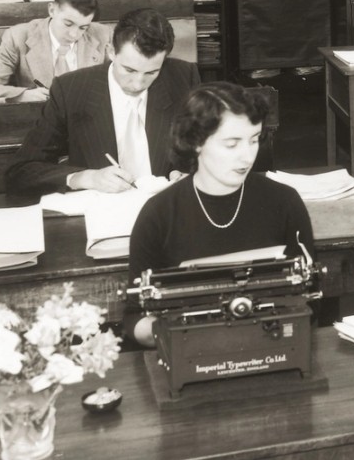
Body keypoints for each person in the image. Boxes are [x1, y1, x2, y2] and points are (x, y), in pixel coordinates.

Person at [125, 82, 314, 347]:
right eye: (231, 144)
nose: (247, 157)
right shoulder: (158, 214)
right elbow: (134, 318)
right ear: (196, 142)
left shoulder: (285, 201)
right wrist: (181, 332)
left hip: (271, 345)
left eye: (254, 140)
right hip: (189, 351)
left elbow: (308, 294)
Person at [4, 7, 201, 195]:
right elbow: (20, 172)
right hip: (101, 215)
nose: (137, 83)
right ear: (111, 52)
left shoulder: (183, 78)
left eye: (151, 72)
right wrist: (86, 178)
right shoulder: (71, 90)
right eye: (129, 70)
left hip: (166, 208)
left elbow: (205, 148)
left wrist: (190, 172)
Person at [0, 0, 109, 105]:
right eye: (68, 23)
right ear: (52, 10)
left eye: (83, 28)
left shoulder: (102, 35)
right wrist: (22, 95)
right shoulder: (18, 37)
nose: (74, 34)